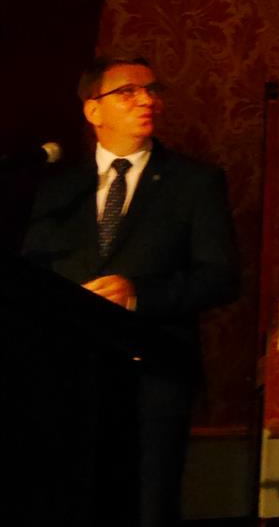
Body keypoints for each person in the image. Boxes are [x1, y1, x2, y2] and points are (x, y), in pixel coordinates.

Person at [21, 55, 242, 527]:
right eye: (128, 92)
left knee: (148, 504)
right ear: (93, 110)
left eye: (153, 90)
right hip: (68, 374)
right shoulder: (56, 187)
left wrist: (138, 294)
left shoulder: (194, 182)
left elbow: (220, 277)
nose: (147, 100)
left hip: (153, 374)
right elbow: (32, 273)